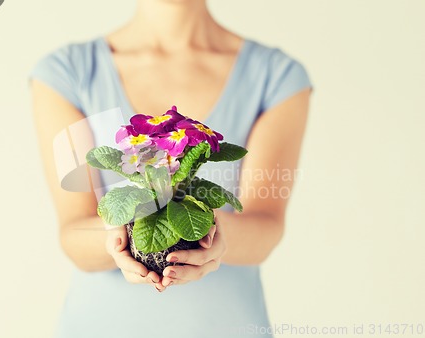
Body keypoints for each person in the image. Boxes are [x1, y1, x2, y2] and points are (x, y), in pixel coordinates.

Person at [29, 0, 312, 337]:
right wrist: (117, 235)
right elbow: (73, 233)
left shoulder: (276, 76)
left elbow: (266, 226)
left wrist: (212, 237)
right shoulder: (66, 73)